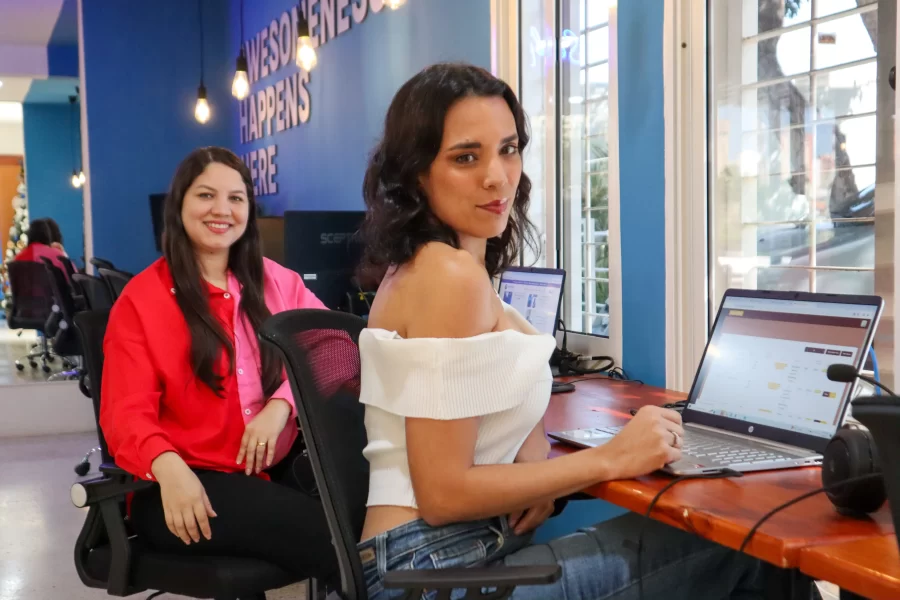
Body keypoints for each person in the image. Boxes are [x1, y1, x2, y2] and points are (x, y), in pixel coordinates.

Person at [354, 63, 805, 599]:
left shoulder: (442, 269)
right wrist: (611, 457)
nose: (497, 176)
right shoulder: (447, 277)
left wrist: (546, 469)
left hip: (445, 556)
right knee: (752, 547)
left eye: (509, 148)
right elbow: (443, 494)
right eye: (465, 157)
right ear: (415, 173)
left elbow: (495, 438)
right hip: (431, 573)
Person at [99, 147, 337, 582]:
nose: (222, 210)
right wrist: (170, 470)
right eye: (206, 195)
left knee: (365, 509)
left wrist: (283, 404)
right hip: (180, 485)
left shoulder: (277, 282)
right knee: (330, 539)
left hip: (270, 471)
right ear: (180, 206)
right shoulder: (142, 299)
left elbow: (334, 347)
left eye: (236, 198)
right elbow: (125, 413)